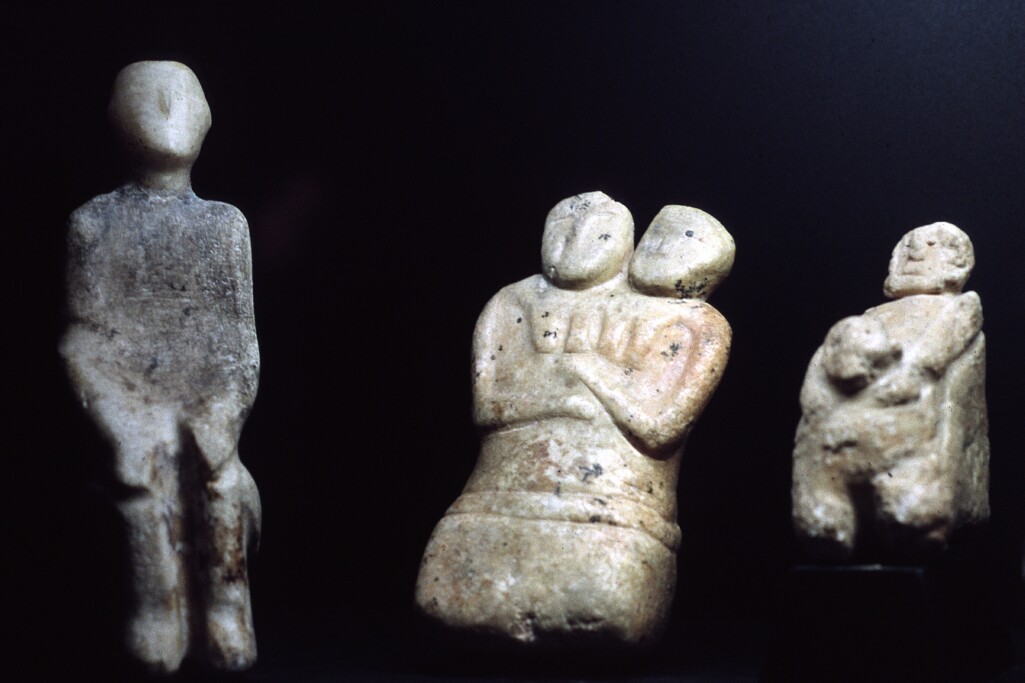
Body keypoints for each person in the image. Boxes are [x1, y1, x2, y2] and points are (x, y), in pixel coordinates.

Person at [416, 193, 733, 644]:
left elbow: (658, 428)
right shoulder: (514, 301)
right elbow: (488, 409)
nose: (577, 243)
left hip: (617, 512)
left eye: (598, 233)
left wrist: (588, 373)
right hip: (492, 501)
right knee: (449, 595)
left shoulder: (696, 324)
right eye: (563, 230)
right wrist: (570, 398)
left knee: (603, 600)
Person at [60, 62, 260, 672]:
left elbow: (240, 344)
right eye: (149, 95)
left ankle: (226, 608)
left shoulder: (225, 225)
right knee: (142, 479)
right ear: (114, 117)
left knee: (222, 480)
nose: (169, 107)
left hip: (206, 396)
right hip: (128, 399)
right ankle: (158, 610)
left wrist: (225, 411)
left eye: (183, 95)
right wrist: (118, 416)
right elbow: (85, 340)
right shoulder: (93, 224)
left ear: (208, 118)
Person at [792, 223, 988, 560]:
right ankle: (828, 518)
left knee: (911, 506)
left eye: (931, 244)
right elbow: (829, 364)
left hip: (909, 426)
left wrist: (913, 373)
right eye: (908, 244)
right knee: (822, 494)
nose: (915, 251)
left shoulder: (959, 308)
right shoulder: (871, 316)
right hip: (844, 431)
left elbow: (929, 361)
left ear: (957, 263)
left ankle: (910, 515)